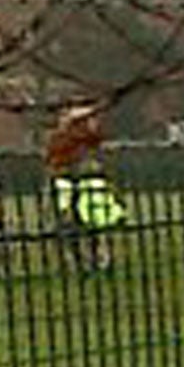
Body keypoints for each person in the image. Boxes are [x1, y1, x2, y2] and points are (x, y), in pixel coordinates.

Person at [45, 104, 126, 272]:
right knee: (70, 223)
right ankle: (78, 260)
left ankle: (95, 258)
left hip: (84, 182)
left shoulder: (87, 137)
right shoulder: (60, 138)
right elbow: (54, 161)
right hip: (67, 182)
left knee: (92, 223)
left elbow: (97, 141)